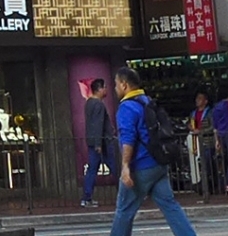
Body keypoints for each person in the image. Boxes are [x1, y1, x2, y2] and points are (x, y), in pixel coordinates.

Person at [108, 67, 197, 236]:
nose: (115, 88)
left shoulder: (127, 107)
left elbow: (128, 139)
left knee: (124, 209)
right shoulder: (147, 101)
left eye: (116, 84)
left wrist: (125, 166)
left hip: (140, 166)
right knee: (170, 206)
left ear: (124, 85)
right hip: (158, 162)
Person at [79, 80, 114, 208]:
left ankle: (86, 197)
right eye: (104, 87)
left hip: (93, 141)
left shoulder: (89, 103)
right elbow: (98, 124)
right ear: (99, 89)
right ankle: (129, 193)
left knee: (92, 169)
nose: (106, 90)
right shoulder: (99, 104)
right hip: (102, 141)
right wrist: (98, 143)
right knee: (115, 166)